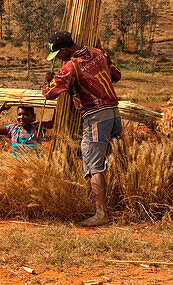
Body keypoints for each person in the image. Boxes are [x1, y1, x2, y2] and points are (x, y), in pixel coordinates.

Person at [41, 30, 122, 227]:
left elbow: (49, 93)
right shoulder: (99, 53)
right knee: (117, 158)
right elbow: (116, 75)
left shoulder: (71, 67)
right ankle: (122, 205)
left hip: (96, 116)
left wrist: (47, 79)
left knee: (94, 165)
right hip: (114, 113)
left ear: (66, 49)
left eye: (58, 54)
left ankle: (101, 213)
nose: (58, 59)